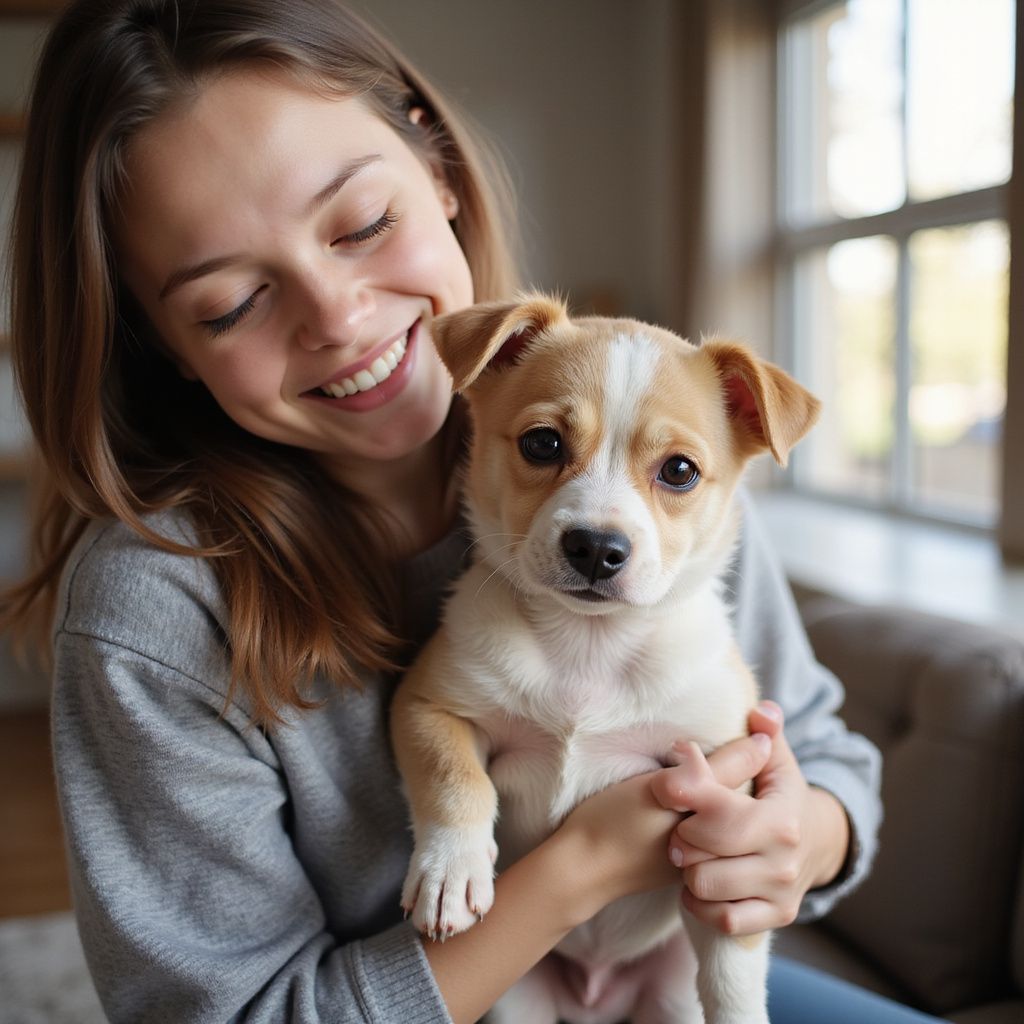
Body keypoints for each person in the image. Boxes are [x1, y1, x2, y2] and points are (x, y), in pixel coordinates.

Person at [1, 1, 937, 1021]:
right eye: (229, 302)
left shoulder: (682, 497)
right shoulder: (155, 609)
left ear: (437, 165)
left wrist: (796, 833)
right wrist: (575, 868)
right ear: (160, 343)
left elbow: (818, 752)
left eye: (362, 224)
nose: (340, 317)